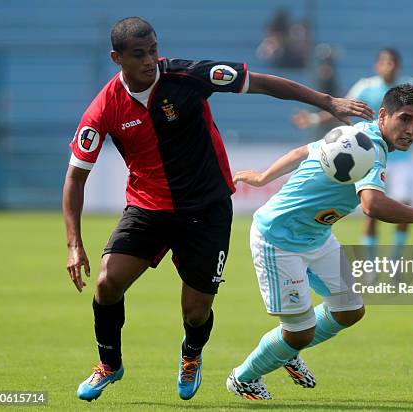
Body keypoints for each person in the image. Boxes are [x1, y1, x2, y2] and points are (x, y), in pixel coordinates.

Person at [63, 17, 373, 402]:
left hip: (207, 209)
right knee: (108, 283)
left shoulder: (187, 76)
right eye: (139, 55)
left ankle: (191, 355)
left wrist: (326, 101)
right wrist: (74, 243)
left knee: (195, 311)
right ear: (117, 58)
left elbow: (260, 82)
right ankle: (109, 364)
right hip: (149, 207)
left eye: (153, 51)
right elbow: (75, 178)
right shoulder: (104, 107)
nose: (150, 61)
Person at [226, 84, 413, 400]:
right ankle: (243, 378)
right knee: (298, 332)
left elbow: (303, 151)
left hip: (317, 237)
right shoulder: (371, 147)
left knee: (349, 310)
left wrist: (263, 177)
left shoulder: (359, 131)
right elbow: (372, 205)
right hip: (279, 237)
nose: (411, 130)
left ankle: (286, 350)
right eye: (404, 119)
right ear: (383, 115)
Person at [293, 48, 413, 268]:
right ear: (377, 66)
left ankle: (395, 261)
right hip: (370, 157)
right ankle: (370, 265)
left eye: (392, 62)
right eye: (384, 62)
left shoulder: (411, 89)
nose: (389, 66)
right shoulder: (366, 87)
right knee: (372, 212)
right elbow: (344, 106)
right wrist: (315, 119)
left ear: (398, 66)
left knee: (404, 208)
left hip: (401, 161)